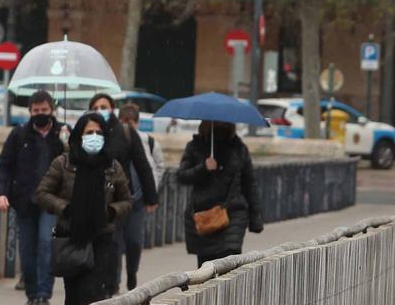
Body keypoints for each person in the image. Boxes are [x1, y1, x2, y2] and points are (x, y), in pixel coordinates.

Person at [35, 113, 132, 305]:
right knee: (72, 296)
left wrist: (111, 211)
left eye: (99, 132)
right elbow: (42, 193)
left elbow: (126, 200)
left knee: (92, 293)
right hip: (69, 235)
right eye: (89, 132)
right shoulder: (63, 163)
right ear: (79, 134)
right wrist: (65, 208)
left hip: (101, 235)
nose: (94, 136)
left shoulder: (112, 166)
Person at [0, 90, 65, 305]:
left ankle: (44, 293)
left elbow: (74, 165)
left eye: (44, 110)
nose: (40, 114)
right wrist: (0, 193)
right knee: (27, 249)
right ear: (30, 112)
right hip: (24, 202)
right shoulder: (19, 136)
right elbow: (3, 167)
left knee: (46, 245)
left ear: (52, 110)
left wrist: (66, 141)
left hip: (51, 203)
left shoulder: (61, 136)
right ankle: (32, 294)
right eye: (36, 111)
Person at [88, 93, 157, 294]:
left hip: (122, 197)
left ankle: (128, 274)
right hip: (97, 197)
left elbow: (142, 165)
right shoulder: (88, 132)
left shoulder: (125, 132)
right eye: (96, 107)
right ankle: (111, 284)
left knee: (129, 241)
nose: (100, 110)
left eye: (104, 106)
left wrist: (151, 197)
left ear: (112, 109)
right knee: (109, 242)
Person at [177, 120, 264, 266]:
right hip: (204, 215)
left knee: (230, 261)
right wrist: (203, 167)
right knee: (206, 268)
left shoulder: (239, 149)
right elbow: (182, 176)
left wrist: (256, 217)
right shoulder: (195, 147)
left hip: (232, 215)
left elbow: (249, 184)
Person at [116, 103, 166, 291]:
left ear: (137, 123)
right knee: (115, 241)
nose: (128, 126)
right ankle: (115, 280)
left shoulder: (149, 142)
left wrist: (151, 192)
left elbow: (155, 167)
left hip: (138, 200)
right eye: (124, 122)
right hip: (120, 199)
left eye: (131, 122)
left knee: (134, 240)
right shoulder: (117, 140)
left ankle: (132, 271)